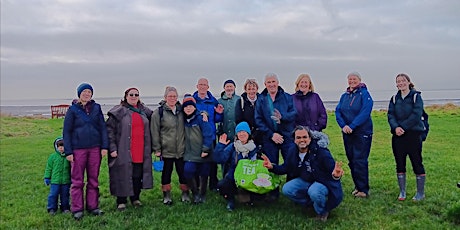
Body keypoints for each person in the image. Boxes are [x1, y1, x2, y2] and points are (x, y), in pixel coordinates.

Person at [262, 126, 344, 222]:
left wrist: (336, 175)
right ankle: (311, 204)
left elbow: (333, 171)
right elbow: (286, 168)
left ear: (310, 138)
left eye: (305, 137)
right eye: (299, 137)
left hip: (322, 181)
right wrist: (272, 167)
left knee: (314, 191)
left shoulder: (321, 151)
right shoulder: (293, 150)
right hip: (306, 179)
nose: (302, 140)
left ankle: (322, 212)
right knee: (287, 189)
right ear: (294, 140)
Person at [63, 83, 108, 220]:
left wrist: (104, 147)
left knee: (93, 179)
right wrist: (68, 151)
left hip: (95, 148)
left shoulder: (96, 108)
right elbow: (67, 132)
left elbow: (102, 128)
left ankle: (93, 206)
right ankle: (77, 208)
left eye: (89, 92)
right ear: (79, 94)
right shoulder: (72, 110)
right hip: (78, 150)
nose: (87, 94)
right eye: (84, 92)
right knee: (77, 180)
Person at [106, 87, 154, 211]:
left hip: (140, 149)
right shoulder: (119, 111)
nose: (134, 96)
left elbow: (158, 117)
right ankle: (121, 200)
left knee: (137, 174)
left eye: (136, 94)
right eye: (131, 94)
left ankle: (135, 198)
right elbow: (109, 130)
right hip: (123, 148)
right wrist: (112, 148)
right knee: (122, 174)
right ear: (126, 96)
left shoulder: (144, 111)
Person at [255, 73, 296, 200]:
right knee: (271, 164)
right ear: (265, 84)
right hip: (269, 137)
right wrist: (271, 134)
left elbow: (294, 113)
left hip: (286, 136)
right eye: (269, 82)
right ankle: (273, 192)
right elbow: (258, 119)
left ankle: (292, 190)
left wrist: (282, 117)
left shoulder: (287, 97)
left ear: (278, 82)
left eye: (273, 81)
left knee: (291, 163)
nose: (271, 84)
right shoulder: (261, 99)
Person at [387, 73, 426, 201]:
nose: (401, 83)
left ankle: (420, 193)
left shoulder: (416, 97)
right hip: (398, 136)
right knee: (400, 163)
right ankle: (402, 192)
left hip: (413, 135)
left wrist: (403, 127)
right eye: (398, 81)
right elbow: (390, 115)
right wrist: (396, 128)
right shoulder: (394, 99)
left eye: (403, 81)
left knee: (417, 162)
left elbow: (416, 114)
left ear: (409, 82)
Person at [335, 72, 373, 198]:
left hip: (362, 132)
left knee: (360, 160)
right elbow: (338, 111)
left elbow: (365, 112)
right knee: (352, 160)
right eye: (350, 79)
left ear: (359, 80)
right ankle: (357, 186)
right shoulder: (344, 96)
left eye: (354, 79)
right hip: (347, 132)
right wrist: (344, 126)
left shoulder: (364, 94)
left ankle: (363, 189)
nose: (352, 81)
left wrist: (353, 125)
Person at [151, 86, 190, 205]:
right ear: (165, 97)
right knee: (166, 173)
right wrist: (157, 148)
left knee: (183, 172)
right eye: (170, 96)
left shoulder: (181, 110)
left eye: (174, 96)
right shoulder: (159, 112)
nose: (172, 98)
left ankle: (185, 193)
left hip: (181, 149)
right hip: (166, 149)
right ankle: (166, 195)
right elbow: (154, 131)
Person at [214, 122, 260, 211]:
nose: (241, 134)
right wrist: (220, 145)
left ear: (248, 133)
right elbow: (219, 159)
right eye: (239, 132)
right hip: (233, 176)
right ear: (236, 134)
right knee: (222, 185)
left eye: (244, 132)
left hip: (249, 177)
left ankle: (248, 197)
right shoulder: (233, 146)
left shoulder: (254, 148)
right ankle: (230, 200)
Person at [182, 94, 215, 204]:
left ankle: (202, 194)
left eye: (190, 106)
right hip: (190, 153)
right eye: (186, 106)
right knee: (188, 171)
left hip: (203, 152)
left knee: (204, 172)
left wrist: (205, 149)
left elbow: (208, 133)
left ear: (195, 107)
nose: (188, 108)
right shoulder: (181, 118)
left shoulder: (201, 118)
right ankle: (195, 193)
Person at [193, 78, 223, 191]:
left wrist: (219, 114)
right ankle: (197, 184)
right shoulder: (193, 100)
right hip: (196, 136)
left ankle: (213, 184)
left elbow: (216, 119)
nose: (202, 87)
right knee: (196, 160)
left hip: (210, 136)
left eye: (204, 85)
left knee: (212, 161)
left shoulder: (213, 101)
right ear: (197, 86)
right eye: (200, 84)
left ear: (208, 87)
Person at [44, 137, 71, 215]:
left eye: (63, 146)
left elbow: (72, 169)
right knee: (53, 195)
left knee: (65, 195)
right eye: (59, 146)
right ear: (56, 147)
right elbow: (49, 168)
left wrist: (72, 178)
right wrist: (47, 177)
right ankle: (52, 208)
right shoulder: (52, 157)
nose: (61, 148)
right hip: (55, 181)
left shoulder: (68, 157)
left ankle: (65, 208)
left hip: (66, 181)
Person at [235, 79, 262, 146]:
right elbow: (238, 120)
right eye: (249, 89)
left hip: (262, 134)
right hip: (247, 136)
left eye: (253, 89)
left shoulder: (262, 101)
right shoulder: (240, 102)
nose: (251, 91)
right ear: (245, 90)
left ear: (257, 89)